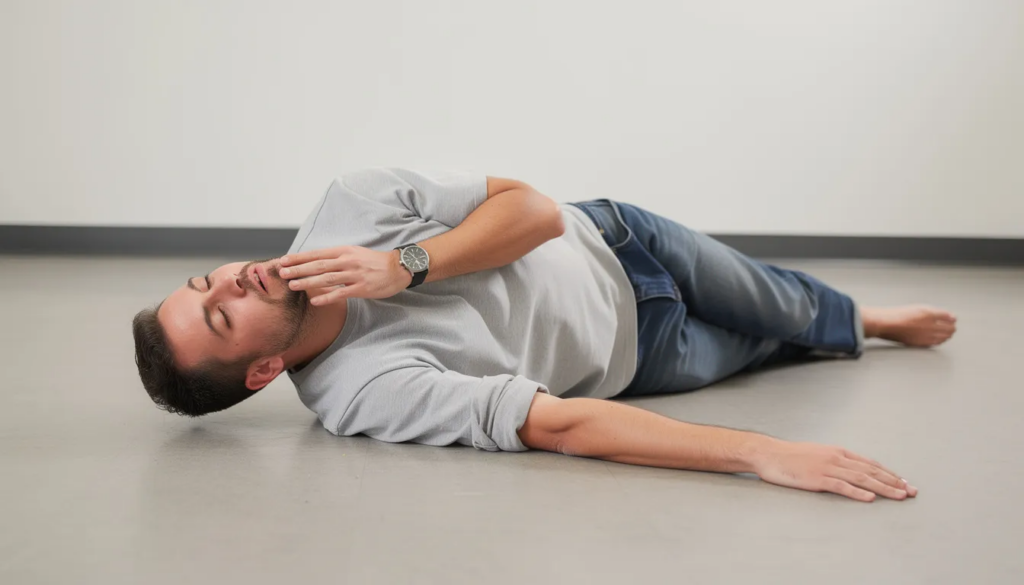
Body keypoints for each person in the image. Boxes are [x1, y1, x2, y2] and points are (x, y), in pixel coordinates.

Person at [133, 168, 956, 503]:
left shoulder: (350, 203)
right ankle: (829, 328)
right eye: (220, 315)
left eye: (206, 281)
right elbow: (554, 422)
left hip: (622, 240)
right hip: (643, 355)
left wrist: (404, 265)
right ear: (262, 370)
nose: (232, 281)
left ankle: (862, 320)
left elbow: (532, 209)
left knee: (783, 304)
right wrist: (763, 453)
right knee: (766, 346)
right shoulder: (361, 394)